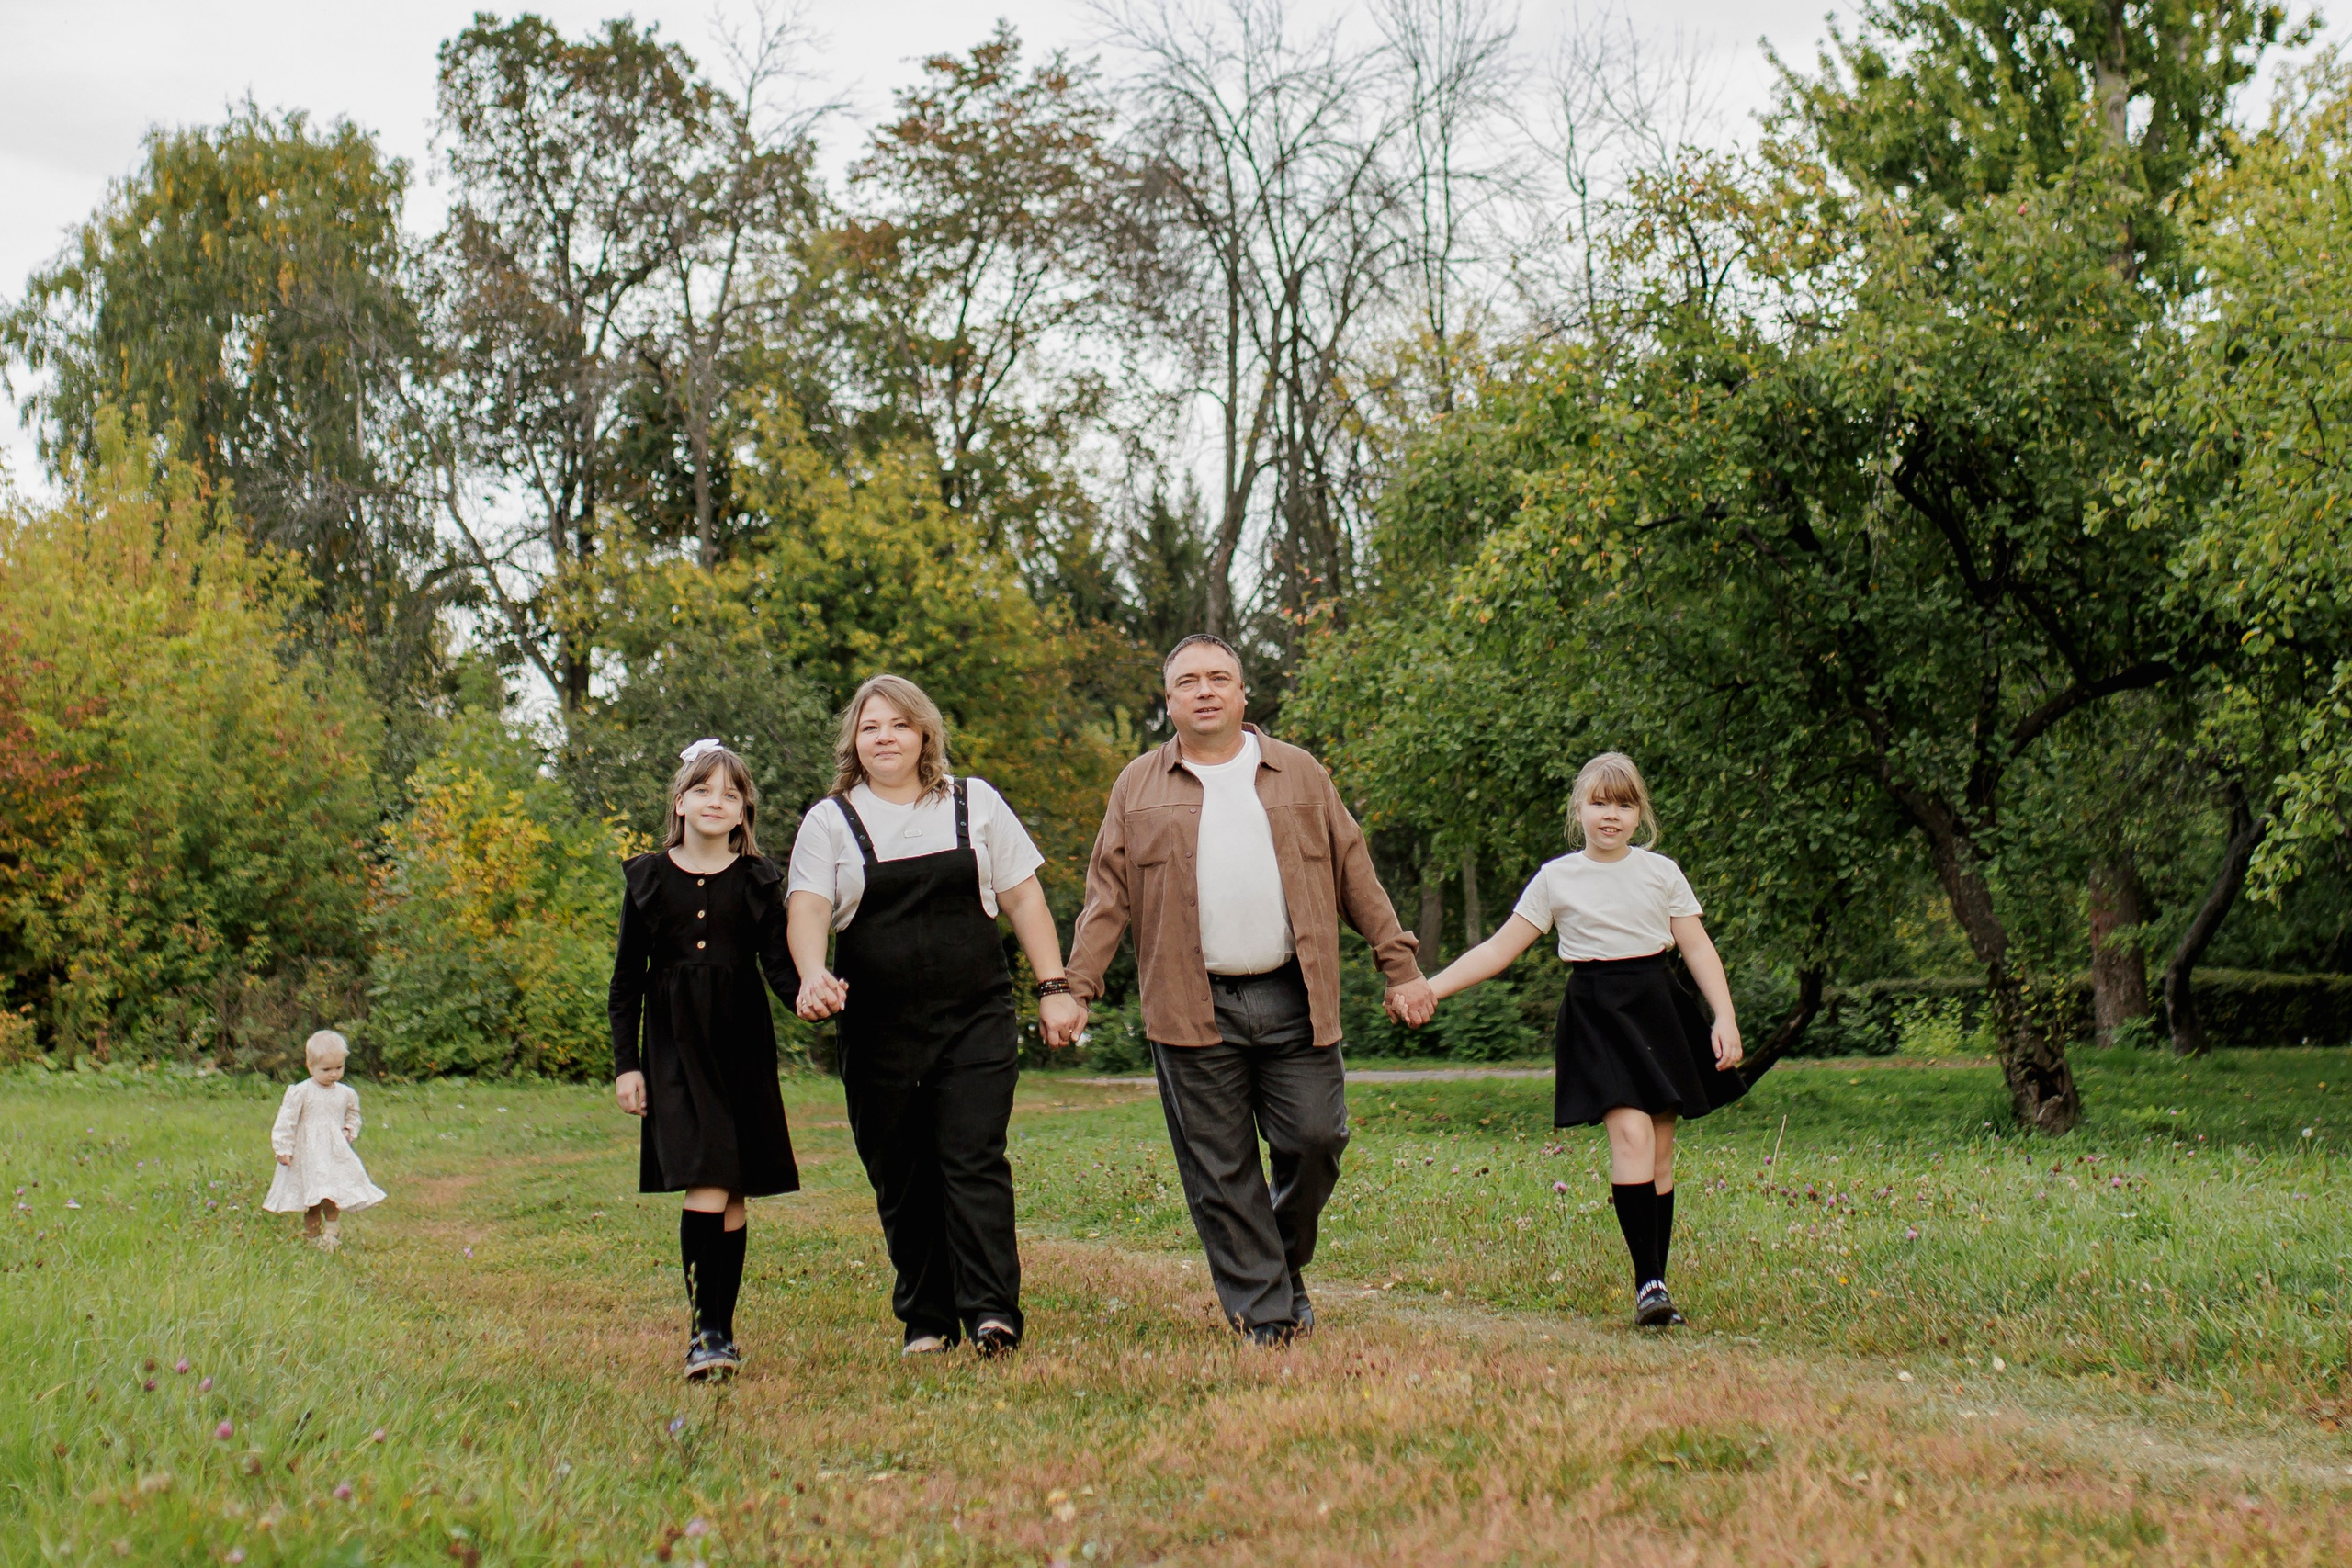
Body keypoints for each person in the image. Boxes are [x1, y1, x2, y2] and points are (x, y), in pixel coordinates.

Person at [1063, 634, 1434, 1346]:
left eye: (1219, 677)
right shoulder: (1137, 784)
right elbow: (1107, 895)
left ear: (1242, 694)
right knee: (1221, 1168)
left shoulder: (1299, 772)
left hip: (1294, 994)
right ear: (1167, 701)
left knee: (1317, 1137)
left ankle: (1279, 1261)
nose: (1205, 690)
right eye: (1188, 681)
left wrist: (1401, 965)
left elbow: (1355, 873)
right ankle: (1267, 1315)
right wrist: (1077, 985)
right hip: (1189, 1002)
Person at [786, 674, 1086, 1359]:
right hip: (877, 1028)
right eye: (870, 727)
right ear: (853, 743)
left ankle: (990, 1311)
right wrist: (812, 973)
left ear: (924, 732)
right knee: (900, 1168)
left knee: (972, 1155)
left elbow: (1025, 898)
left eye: (898, 723)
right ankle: (926, 1315)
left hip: (973, 1019)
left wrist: (1054, 985)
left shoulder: (974, 802)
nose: (884, 736)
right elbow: (805, 906)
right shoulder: (829, 820)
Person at [1422, 751, 1745, 1328]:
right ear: (1579, 810)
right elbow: (1498, 950)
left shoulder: (1661, 872)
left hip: (1658, 1007)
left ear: (1640, 813)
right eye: (1600, 803)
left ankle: (1658, 1282)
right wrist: (1429, 989)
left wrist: (1724, 1017)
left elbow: (1697, 948)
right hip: (1596, 1014)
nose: (1611, 816)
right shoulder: (1556, 878)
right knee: (1629, 1132)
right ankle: (1647, 1283)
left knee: (1661, 1148)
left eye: (1624, 804)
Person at [609, 740, 801, 1382]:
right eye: (703, 790)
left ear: (744, 808)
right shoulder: (647, 877)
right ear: (680, 802)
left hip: (740, 1043)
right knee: (707, 1174)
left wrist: (812, 993)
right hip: (673, 1045)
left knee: (734, 1187)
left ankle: (719, 1331)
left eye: (730, 792)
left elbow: (778, 964)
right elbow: (625, 984)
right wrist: (625, 1064)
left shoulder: (757, 880)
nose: (715, 801)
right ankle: (705, 1332)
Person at [264, 1030, 385, 1250]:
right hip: (308, 1152)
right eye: (326, 1069)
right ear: (310, 1067)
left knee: (332, 1191)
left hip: (333, 1151)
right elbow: (287, 1120)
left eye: (338, 1068)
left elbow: (353, 1115)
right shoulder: (301, 1092)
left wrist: (349, 1129)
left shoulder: (345, 1093)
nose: (333, 1074)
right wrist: (283, 1147)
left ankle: (331, 1231)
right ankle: (311, 1236)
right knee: (312, 1198)